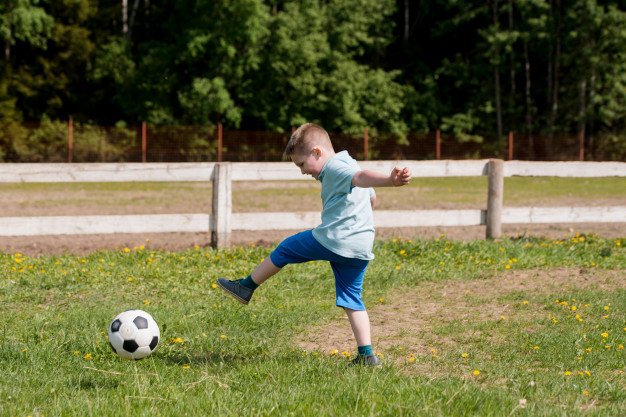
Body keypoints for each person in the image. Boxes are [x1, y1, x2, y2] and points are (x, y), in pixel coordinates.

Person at [217, 123, 411, 366]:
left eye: (301, 164)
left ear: (317, 153)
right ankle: (367, 355)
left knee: (286, 249)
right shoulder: (349, 162)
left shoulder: (336, 167)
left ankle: (246, 287)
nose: (302, 171)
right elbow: (371, 199)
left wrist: (390, 180)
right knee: (353, 299)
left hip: (334, 238)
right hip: (360, 246)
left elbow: (361, 179)